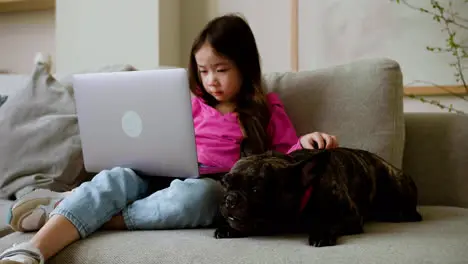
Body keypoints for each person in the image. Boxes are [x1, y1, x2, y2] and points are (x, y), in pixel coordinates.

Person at [0, 13, 338, 264]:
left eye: (221, 69)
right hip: (154, 171)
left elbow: (285, 160)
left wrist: (307, 142)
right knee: (114, 178)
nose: (211, 81)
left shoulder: (266, 110)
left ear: (245, 67)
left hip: (205, 183)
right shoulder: (186, 102)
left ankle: (75, 211)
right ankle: (32, 249)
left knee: (202, 197)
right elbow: (152, 134)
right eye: (203, 71)